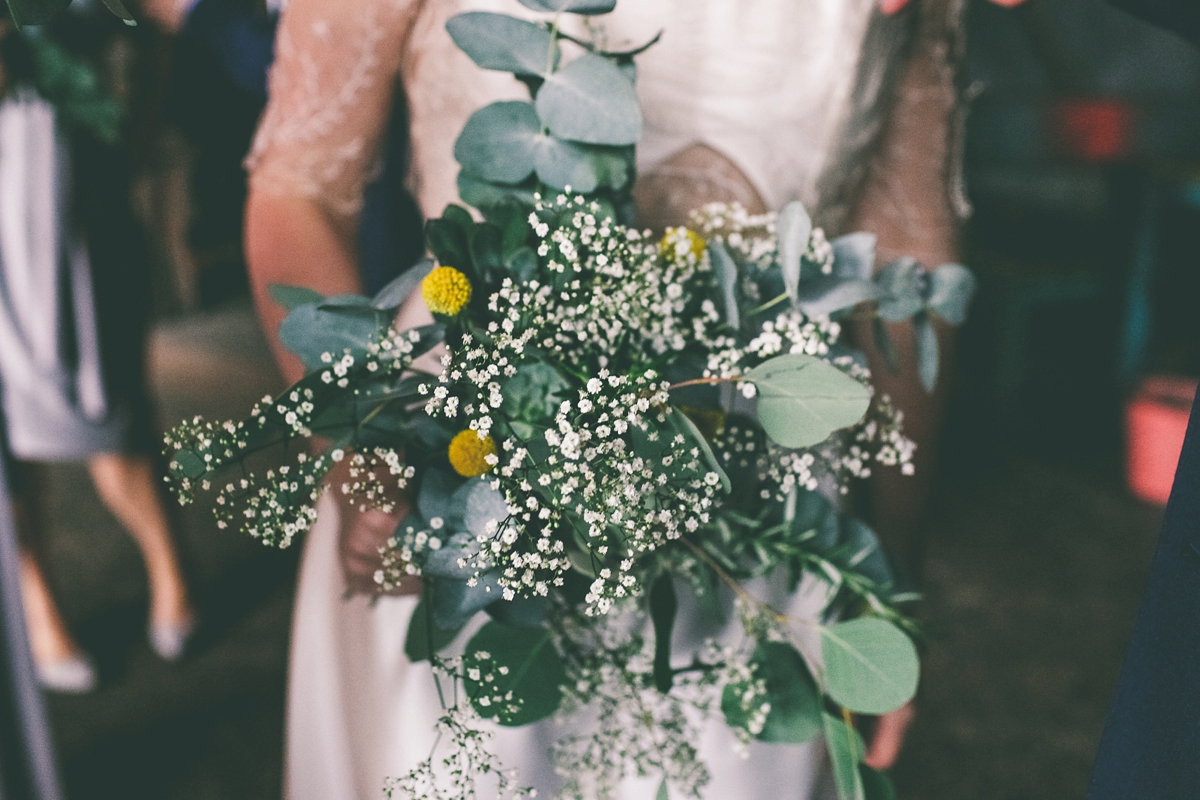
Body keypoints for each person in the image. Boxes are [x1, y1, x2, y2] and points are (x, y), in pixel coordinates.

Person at [244, 0, 1021, 795]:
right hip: (461, 478)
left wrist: (883, 585)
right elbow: (297, 191)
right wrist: (363, 450)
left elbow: (905, 265)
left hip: (767, 517)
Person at [0, 13, 195, 693]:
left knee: (109, 407)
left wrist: (137, 131)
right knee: (6, 451)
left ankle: (171, 565)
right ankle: (39, 604)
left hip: (65, 178)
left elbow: (156, 25)